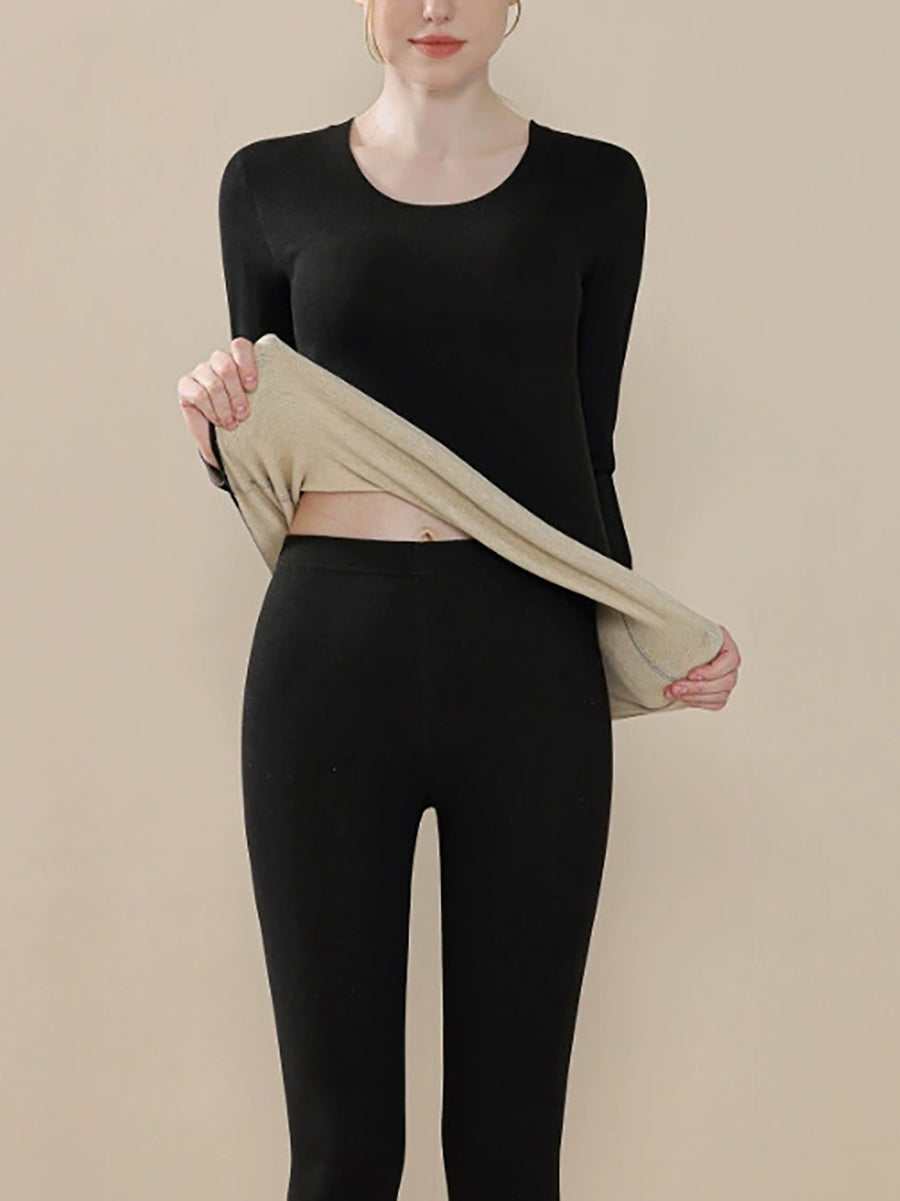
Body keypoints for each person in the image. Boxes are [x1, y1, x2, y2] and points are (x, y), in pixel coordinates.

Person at [177, 2, 740, 1197]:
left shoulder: (597, 189)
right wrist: (210, 425)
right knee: (340, 1154)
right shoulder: (269, 185)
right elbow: (268, 424)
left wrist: (651, 637)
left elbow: (584, 450)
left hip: (528, 660)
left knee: (508, 1152)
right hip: (330, 658)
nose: (435, 6)